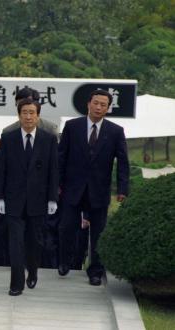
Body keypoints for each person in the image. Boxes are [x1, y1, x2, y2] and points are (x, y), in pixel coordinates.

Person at [58, 89, 129, 286]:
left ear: (108, 108)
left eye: (103, 105)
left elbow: (123, 162)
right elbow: (61, 157)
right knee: (66, 228)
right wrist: (57, 184)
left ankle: (95, 271)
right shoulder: (72, 126)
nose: (99, 107)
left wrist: (123, 189)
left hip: (99, 190)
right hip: (73, 188)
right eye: (96, 103)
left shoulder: (115, 131)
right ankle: (64, 261)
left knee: (98, 233)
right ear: (88, 103)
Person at [0, 99, 59, 296]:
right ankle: (16, 284)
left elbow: (53, 171)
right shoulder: (8, 137)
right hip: (13, 200)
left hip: (38, 200)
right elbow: (1, 170)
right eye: (24, 112)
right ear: (19, 115)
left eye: (32, 113)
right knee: (15, 242)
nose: (28, 116)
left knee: (34, 242)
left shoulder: (48, 138)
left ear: (38, 115)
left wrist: (52, 199)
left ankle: (32, 270)